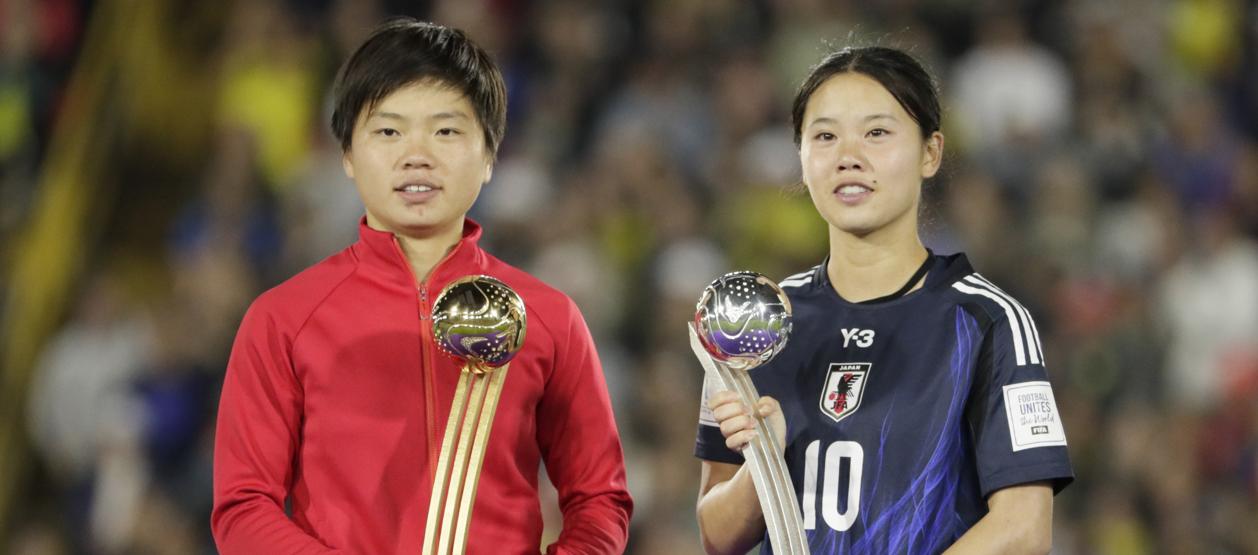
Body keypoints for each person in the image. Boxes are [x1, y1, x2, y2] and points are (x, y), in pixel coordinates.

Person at [211, 19, 632, 554]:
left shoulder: (548, 317)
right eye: (388, 131)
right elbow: (243, 507)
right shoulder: (283, 319)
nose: (417, 154)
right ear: (346, 154)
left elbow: (600, 497)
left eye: (447, 131)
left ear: (489, 157)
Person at [694, 46, 1074, 554]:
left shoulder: (988, 321)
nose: (849, 156)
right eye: (825, 136)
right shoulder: (756, 325)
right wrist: (767, 455)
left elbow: (1024, 531)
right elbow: (717, 537)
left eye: (877, 132)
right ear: (802, 158)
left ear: (930, 153)